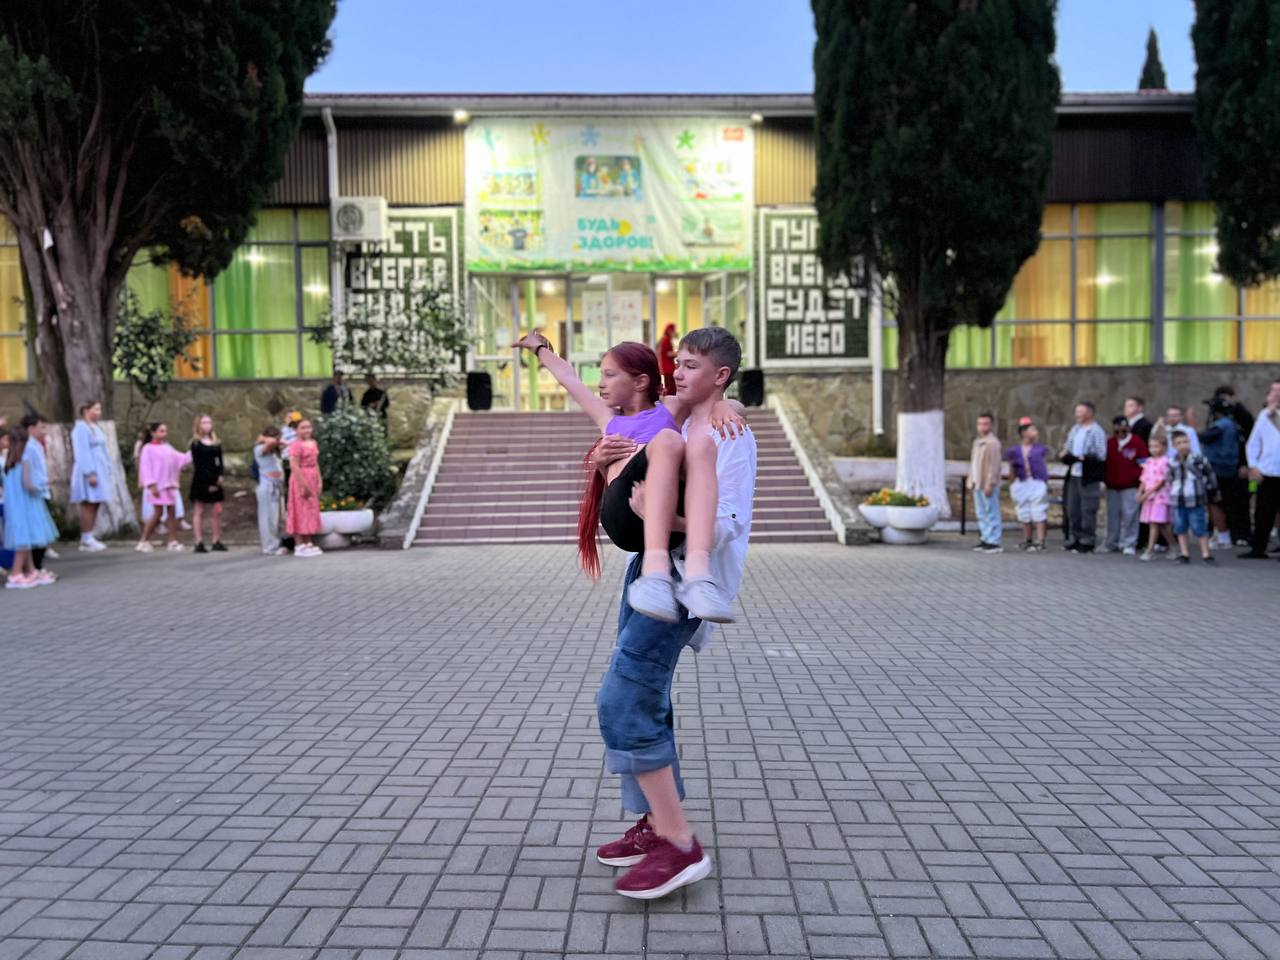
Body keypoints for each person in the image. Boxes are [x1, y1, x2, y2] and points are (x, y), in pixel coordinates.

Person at [590, 326, 757, 900]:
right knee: (648, 696)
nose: (677, 373)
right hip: (650, 573)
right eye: (677, 363)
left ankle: (680, 843)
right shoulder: (681, 421)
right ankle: (656, 825)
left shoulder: (730, 433)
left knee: (623, 698)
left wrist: (660, 515)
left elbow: (729, 522)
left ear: (720, 376)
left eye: (690, 366)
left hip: (687, 583)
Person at [511, 330, 744, 623]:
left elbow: (711, 400)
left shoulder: (670, 408)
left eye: (609, 375)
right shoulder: (608, 418)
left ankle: (699, 577)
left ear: (640, 382)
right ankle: (655, 572)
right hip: (624, 512)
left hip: (663, 518)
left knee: (702, 444)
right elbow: (568, 379)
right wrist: (539, 349)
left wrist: (727, 405)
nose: (600, 383)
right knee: (669, 440)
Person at [3, 422, 58, 589]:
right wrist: (42, 486)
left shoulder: (9, 462)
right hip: (26, 506)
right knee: (23, 543)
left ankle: (31, 570)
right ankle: (15, 574)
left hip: (15, 507)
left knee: (25, 541)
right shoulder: (24, 460)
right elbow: (28, 485)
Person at [1199, 398, 1249, 548]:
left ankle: (1223, 536)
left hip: (1218, 469)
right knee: (1227, 502)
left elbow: (1205, 437)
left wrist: (1192, 427)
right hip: (1228, 469)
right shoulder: (1233, 424)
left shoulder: (1222, 425)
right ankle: (1229, 535)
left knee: (1216, 502)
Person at [1239, 378, 1280, 561]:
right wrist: (1253, 465)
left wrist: (1274, 416)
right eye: (1273, 391)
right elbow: (1253, 443)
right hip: (1267, 471)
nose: (1276, 395)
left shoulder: (1271, 416)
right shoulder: (1264, 415)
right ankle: (1258, 548)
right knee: (1263, 512)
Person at [136, 422, 192, 554]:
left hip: (169, 485)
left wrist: (194, 450)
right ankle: (144, 540)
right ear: (153, 433)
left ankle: (172, 541)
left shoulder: (167, 448)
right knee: (158, 513)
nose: (164, 434)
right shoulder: (148, 448)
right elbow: (145, 467)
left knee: (172, 512)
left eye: (165, 431)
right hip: (157, 486)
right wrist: (151, 484)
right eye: (161, 431)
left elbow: (181, 459)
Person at [1059, 401, 1107, 553]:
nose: (1077, 414)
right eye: (1077, 411)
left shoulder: (1096, 431)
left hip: (1088, 475)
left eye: (1081, 411)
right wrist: (1065, 455)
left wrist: (1084, 458)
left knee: (1088, 508)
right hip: (1074, 473)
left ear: (1089, 413)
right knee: (1073, 508)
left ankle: (1088, 540)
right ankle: (1076, 537)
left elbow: (1101, 454)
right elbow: (1067, 447)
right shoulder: (1075, 429)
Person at [1167, 429, 1217, 565]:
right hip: (1178, 498)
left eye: (1185, 442)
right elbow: (1170, 478)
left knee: (1199, 526)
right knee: (1180, 527)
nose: (1182, 445)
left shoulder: (1198, 459)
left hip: (1195, 498)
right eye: (1179, 443)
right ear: (1174, 446)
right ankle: (1184, 553)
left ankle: (1206, 554)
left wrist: (1211, 489)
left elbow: (1209, 475)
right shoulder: (1172, 462)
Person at [69, 400, 112, 552]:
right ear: (86, 410)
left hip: (99, 467)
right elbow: (82, 452)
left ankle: (89, 535)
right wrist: (89, 473)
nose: (99, 412)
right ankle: (86, 537)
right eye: (96, 409)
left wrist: (107, 467)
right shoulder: (81, 428)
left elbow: (103, 449)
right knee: (89, 503)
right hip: (90, 469)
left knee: (96, 502)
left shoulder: (96, 428)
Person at [1104, 415, 1147, 555]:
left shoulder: (1137, 442)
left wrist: (1140, 481)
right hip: (1112, 485)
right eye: (1118, 427)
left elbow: (1143, 463)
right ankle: (1111, 542)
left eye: (1124, 427)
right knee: (1112, 516)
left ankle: (1129, 543)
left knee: (1130, 515)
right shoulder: (1110, 443)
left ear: (1128, 427)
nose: (1121, 430)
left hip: (1131, 485)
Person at [1005, 417, 1050, 552]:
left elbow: (1043, 466)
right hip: (1021, 482)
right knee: (1024, 510)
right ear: (1024, 432)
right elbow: (1011, 468)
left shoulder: (1040, 449)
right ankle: (1028, 539)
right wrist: (1012, 483)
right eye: (1032, 430)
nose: (1035, 432)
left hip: (1036, 482)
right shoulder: (1014, 451)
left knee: (1038, 510)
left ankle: (1040, 540)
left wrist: (1044, 480)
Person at [188, 414, 226, 553]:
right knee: (199, 509)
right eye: (204, 422)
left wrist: (220, 476)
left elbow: (219, 461)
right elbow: (198, 465)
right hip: (202, 479)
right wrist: (209, 482)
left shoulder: (216, 442)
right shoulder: (195, 444)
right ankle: (199, 541)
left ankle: (216, 540)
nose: (207, 425)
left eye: (209, 422)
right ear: (198, 425)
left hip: (216, 478)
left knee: (217, 510)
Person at [287, 419, 324, 557]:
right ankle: (299, 544)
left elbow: (316, 463)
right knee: (299, 509)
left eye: (308, 427)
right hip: (300, 477)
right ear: (296, 430)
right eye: (303, 428)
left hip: (312, 475)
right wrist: (303, 484)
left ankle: (308, 541)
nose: (307, 430)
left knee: (310, 509)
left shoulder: (313, 443)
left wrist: (319, 481)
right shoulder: (295, 445)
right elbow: (294, 465)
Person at [968, 412, 1003, 553]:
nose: (982, 427)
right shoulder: (977, 443)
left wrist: (990, 483)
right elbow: (973, 463)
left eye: (986, 424)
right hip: (977, 482)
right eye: (980, 424)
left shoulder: (993, 443)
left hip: (987, 483)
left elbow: (994, 466)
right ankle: (985, 537)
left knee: (991, 511)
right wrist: (971, 480)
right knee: (981, 512)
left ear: (991, 425)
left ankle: (994, 540)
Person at [253, 425, 290, 556]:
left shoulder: (275, 452)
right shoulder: (260, 449)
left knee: (277, 517)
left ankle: (276, 543)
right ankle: (269, 546)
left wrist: (278, 441)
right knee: (268, 517)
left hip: (276, 487)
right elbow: (272, 442)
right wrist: (264, 439)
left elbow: (287, 443)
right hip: (267, 486)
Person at [1137, 435, 1173, 562]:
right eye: (1151, 446)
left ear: (1164, 447)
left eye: (1156, 446)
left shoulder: (1165, 462)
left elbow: (1161, 482)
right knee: (1159, 524)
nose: (1153, 449)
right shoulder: (1149, 461)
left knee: (1157, 523)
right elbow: (1144, 478)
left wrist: (1147, 494)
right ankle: (1173, 546)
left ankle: (1150, 549)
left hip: (1160, 497)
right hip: (1149, 497)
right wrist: (1140, 491)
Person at [658, 324, 678, 396]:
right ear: (669, 331)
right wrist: (679, 352)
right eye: (674, 330)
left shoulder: (665, 339)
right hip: (668, 368)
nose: (675, 332)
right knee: (671, 389)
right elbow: (668, 353)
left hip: (667, 368)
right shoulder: (666, 340)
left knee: (669, 387)